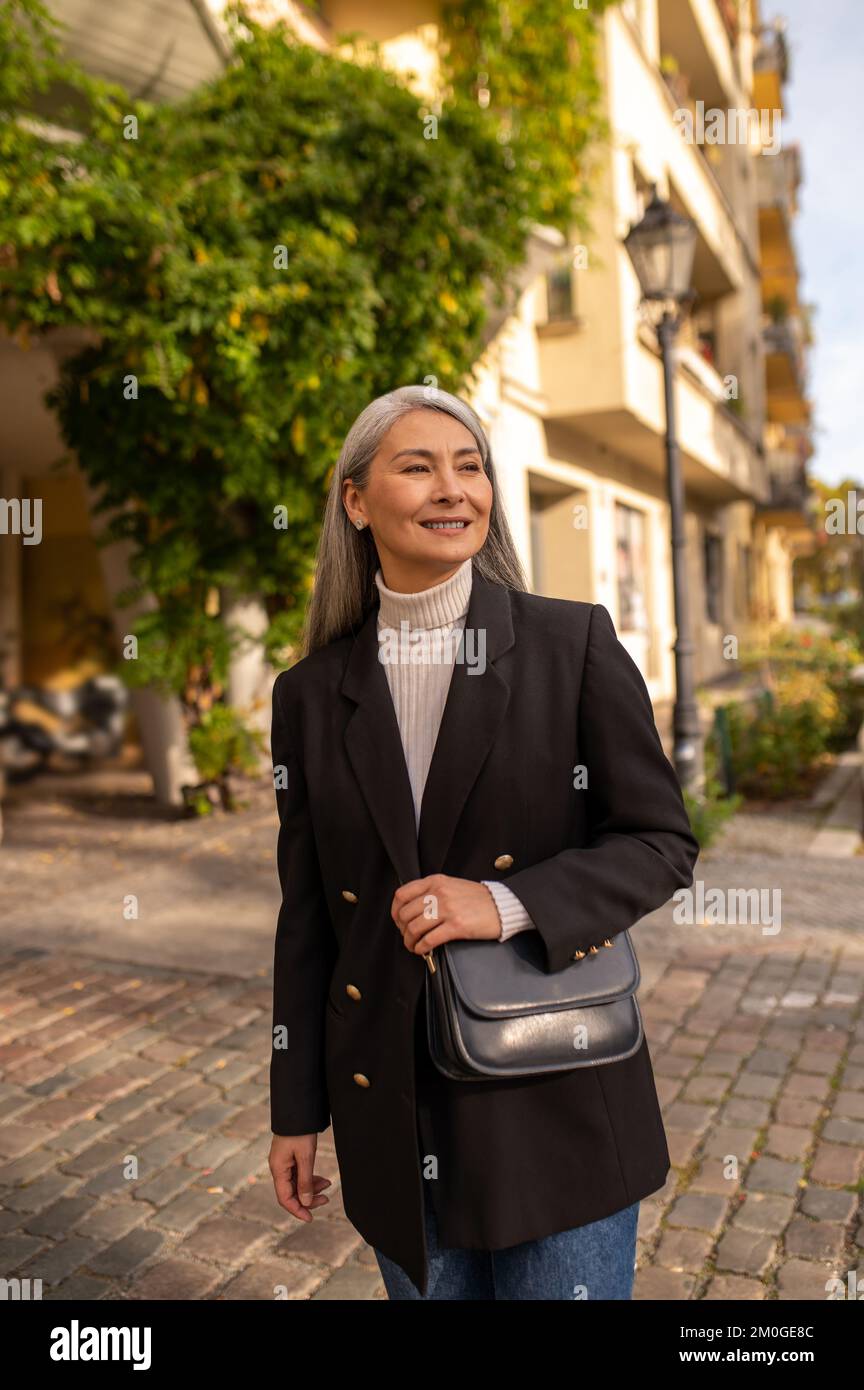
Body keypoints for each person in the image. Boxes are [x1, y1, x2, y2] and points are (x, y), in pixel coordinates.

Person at [267, 385, 700, 1299]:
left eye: (469, 467)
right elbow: (308, 917)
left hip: (552, 1091)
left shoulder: (568, 642)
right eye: (417, 467)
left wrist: (502, 905)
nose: (451, 488)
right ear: (355, 501)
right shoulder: (308, 694)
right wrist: (296, 1112)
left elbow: (660, 840)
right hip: (393, 1110)